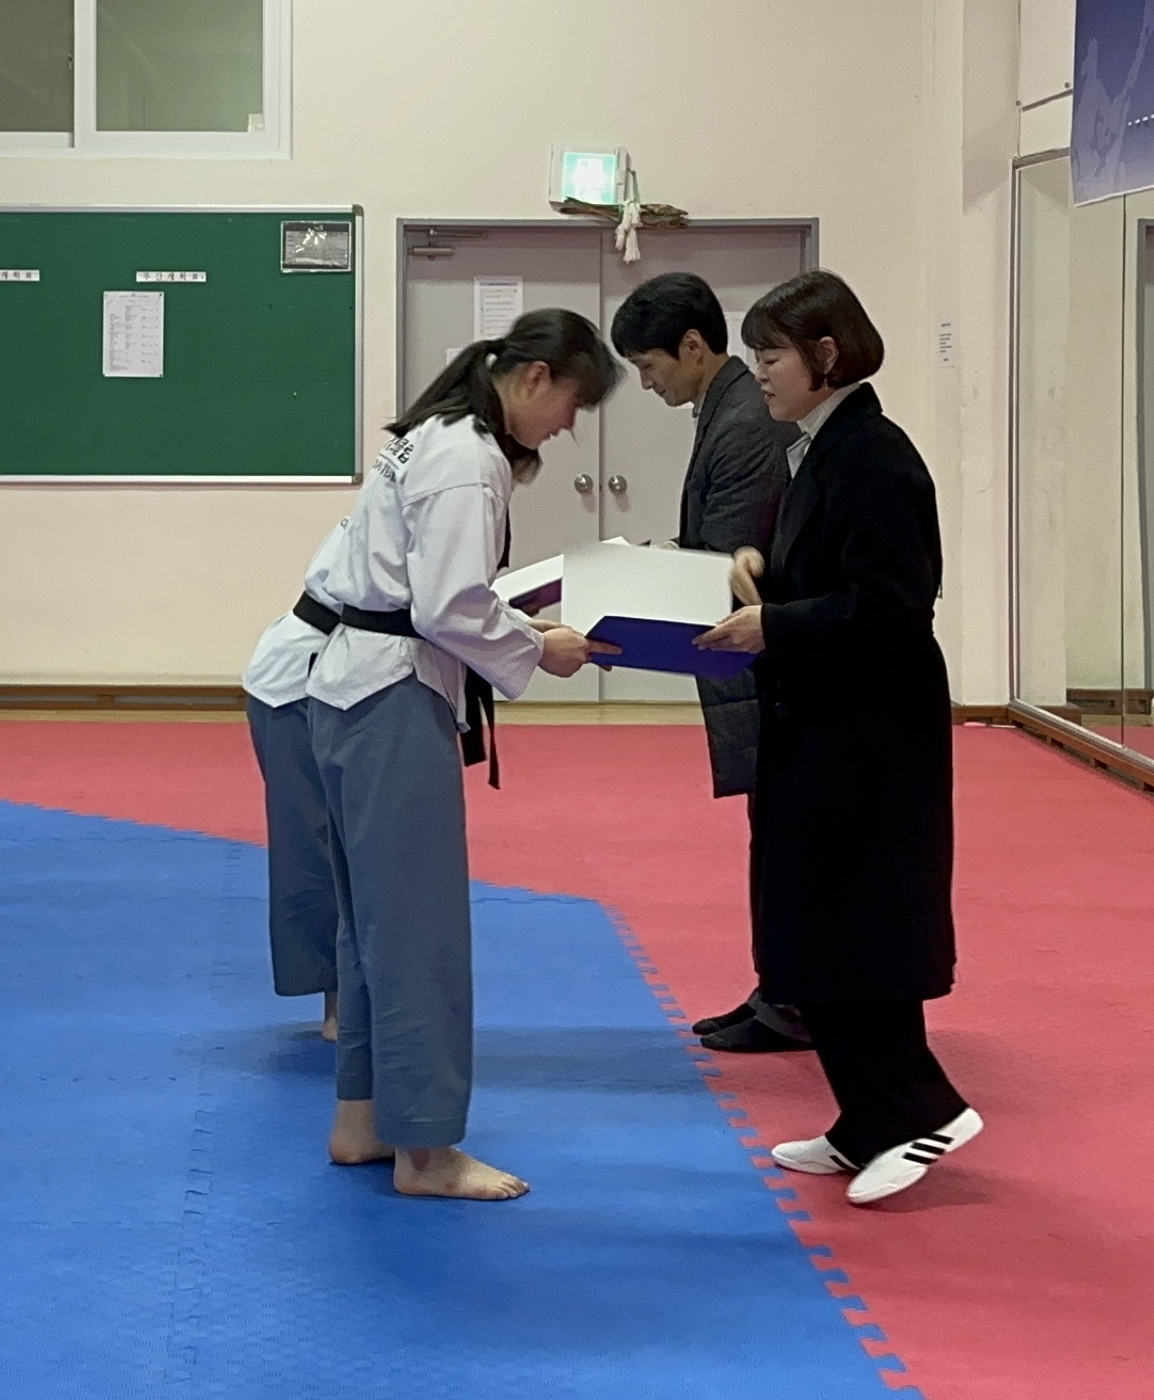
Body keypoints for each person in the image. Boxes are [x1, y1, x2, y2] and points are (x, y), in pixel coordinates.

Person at [299, 309, 618, 1202]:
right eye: (573, 403)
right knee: (419, 934)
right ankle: (427, 1152)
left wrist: (513, 628)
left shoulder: (432, 435)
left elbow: (433, 593)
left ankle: (363, 1120)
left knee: (373, 925)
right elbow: (448, 606)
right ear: (536, 377)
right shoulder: (468, 458)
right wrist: (538, 647)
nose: (567, 425)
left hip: (349, 691)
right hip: (391, 702)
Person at [693, 271, 979, 1205]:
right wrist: (761, 573)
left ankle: (922, 1109)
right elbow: (833, 573)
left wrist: (773, 625)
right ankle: (865, 1117)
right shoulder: (821, 447)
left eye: (771, 355)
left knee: (858, 921)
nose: (759, 373)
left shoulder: (875, 455)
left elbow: (892, 604)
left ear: (826, 354)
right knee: (818, 918)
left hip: (870, 729)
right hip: (822, 715)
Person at [609, 270, 803, 1056]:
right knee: (774, 834)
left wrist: (626, 587)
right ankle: (779, 991)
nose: (647, 383)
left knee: (786, 839)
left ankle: (791, 1001)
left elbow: (726, 564)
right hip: (764, 659)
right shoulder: (725, 409)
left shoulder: (745, 424)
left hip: (776, 667)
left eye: (649, 366)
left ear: (693, 346)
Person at [239, 516, 346, 1036]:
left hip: (338, 678)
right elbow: (440, 611)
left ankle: (358, 997)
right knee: (319, 847)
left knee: (353, 844)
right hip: (301, 684)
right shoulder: (423, 493)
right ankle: (338, 1005)